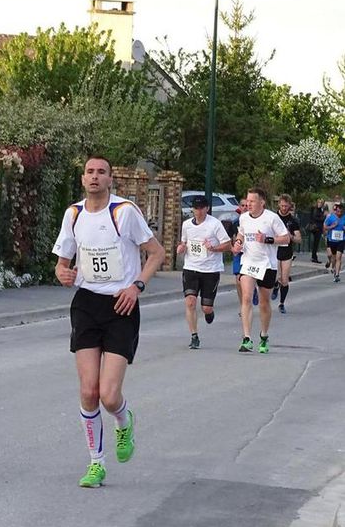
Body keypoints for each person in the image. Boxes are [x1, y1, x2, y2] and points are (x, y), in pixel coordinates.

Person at [52, 155, 165, 488]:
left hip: (122, 305)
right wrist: (62, 272)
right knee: (89, 391)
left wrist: (137, 285)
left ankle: (123, 419)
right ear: (82, 178)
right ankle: (96, 464)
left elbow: (156, 252)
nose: (95, 177)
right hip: (87, 304)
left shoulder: (124, 212)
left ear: (110, 179)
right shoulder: (73, 214)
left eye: (101, 172)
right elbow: (62, 263)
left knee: (109, 395)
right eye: (89, 172)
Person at [231, 188, 289, 353]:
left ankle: (264, 336)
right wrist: (238, 243)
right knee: (247, 297)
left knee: (264, 303)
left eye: (252, 201)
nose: (248, 204)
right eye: (247, 201)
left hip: (267, 265)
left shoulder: (272, 218)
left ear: (261, 202)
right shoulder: (243, 218)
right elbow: (241, 235)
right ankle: (247, 338)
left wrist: (267, 239)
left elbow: (286, 238)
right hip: (248, 262)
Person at [177, 195, 230, 349]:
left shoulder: (215, 225)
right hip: (191, 268)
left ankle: (209, 312)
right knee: (190, 301)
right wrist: (181, 248)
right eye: (196, 208)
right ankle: (194, 336)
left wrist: (213, 248)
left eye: (201, 208)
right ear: (192, 209)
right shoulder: (186, 225)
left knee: (206, 307)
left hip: (210, 270)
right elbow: (184, 242)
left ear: (207, 208)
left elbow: (227, 245)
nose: (198, 211)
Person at [272, 194, 301, 314]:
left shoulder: (293, 221)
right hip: (274, 250)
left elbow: (299, 239)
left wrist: (291, 236)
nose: (284, 208)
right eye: (282, 205)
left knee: (284, 279)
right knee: (275, 276)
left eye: (286, 206)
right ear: (278, 204)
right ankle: (275, 286)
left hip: (287, 252)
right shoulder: (273, 217)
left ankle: (282, 303)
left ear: (289, 205)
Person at [323, 201, 345, 282]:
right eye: (338, 211)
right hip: (331, 240)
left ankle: (337, 274)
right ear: (336, 210)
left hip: (341, 240)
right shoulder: (331, 217)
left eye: (341, 211)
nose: (339, 213)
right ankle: (332, 265)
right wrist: (332, 226)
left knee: (338, 257)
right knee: (333, 257)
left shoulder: (344, 218)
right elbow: (325, 227)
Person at [308, 199, 326, 263]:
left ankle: (314, 257)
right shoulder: (316, 210)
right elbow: (316, 218)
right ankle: (314, 257)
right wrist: (323, 217)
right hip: (316, 228)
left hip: (318, 228)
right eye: (319, 202)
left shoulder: (320, 210)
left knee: (316, 243)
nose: (320, 204)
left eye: (321, 203)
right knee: (315, 243)